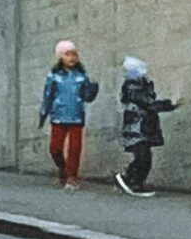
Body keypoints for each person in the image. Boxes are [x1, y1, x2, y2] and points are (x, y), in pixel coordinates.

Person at [37, 39, 99, 189]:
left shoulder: (81, 76)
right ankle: (62, 168)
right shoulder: (54, 76)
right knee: (55, 148)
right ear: (60, 57)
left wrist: (92, 90)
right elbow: (48, 96)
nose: (71, 58)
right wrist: (43, 114)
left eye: (74, 54)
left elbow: (86, 96)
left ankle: (72, 176)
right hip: (58, 116)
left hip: (76, 116)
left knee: (74, 149)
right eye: (67, 54)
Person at [115, 57, 180, 195]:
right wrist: (169, 104)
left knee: (143, 157)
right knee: (143, 157)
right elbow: (149, 104)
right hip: (138, 128)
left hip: (142, 127)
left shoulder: (141, 85)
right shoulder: (134, 87)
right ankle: (133, 181)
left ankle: (132, 180)